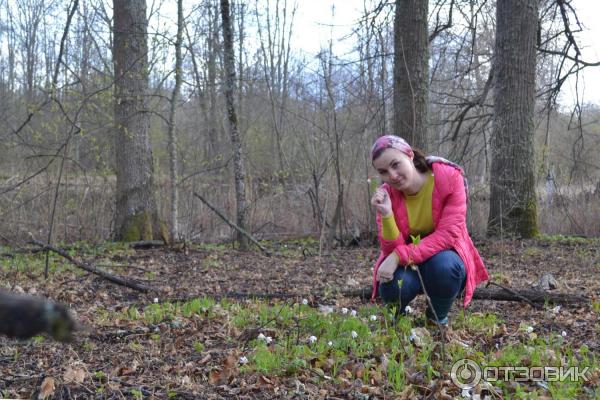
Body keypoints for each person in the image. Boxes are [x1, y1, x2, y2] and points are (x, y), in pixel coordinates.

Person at [369, 135, 488, 325]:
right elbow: (390, 249)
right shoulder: (386, 195)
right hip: (409, 265)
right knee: (391, 284)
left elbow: (448, 236)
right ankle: (399, 324)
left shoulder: (449, 178)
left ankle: (436, 318)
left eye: (395, 164)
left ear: (409, 155)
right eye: (383, 171)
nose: (392, 176)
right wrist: (387, 214)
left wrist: (397, 257)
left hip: (441, 259)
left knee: (445, 266)